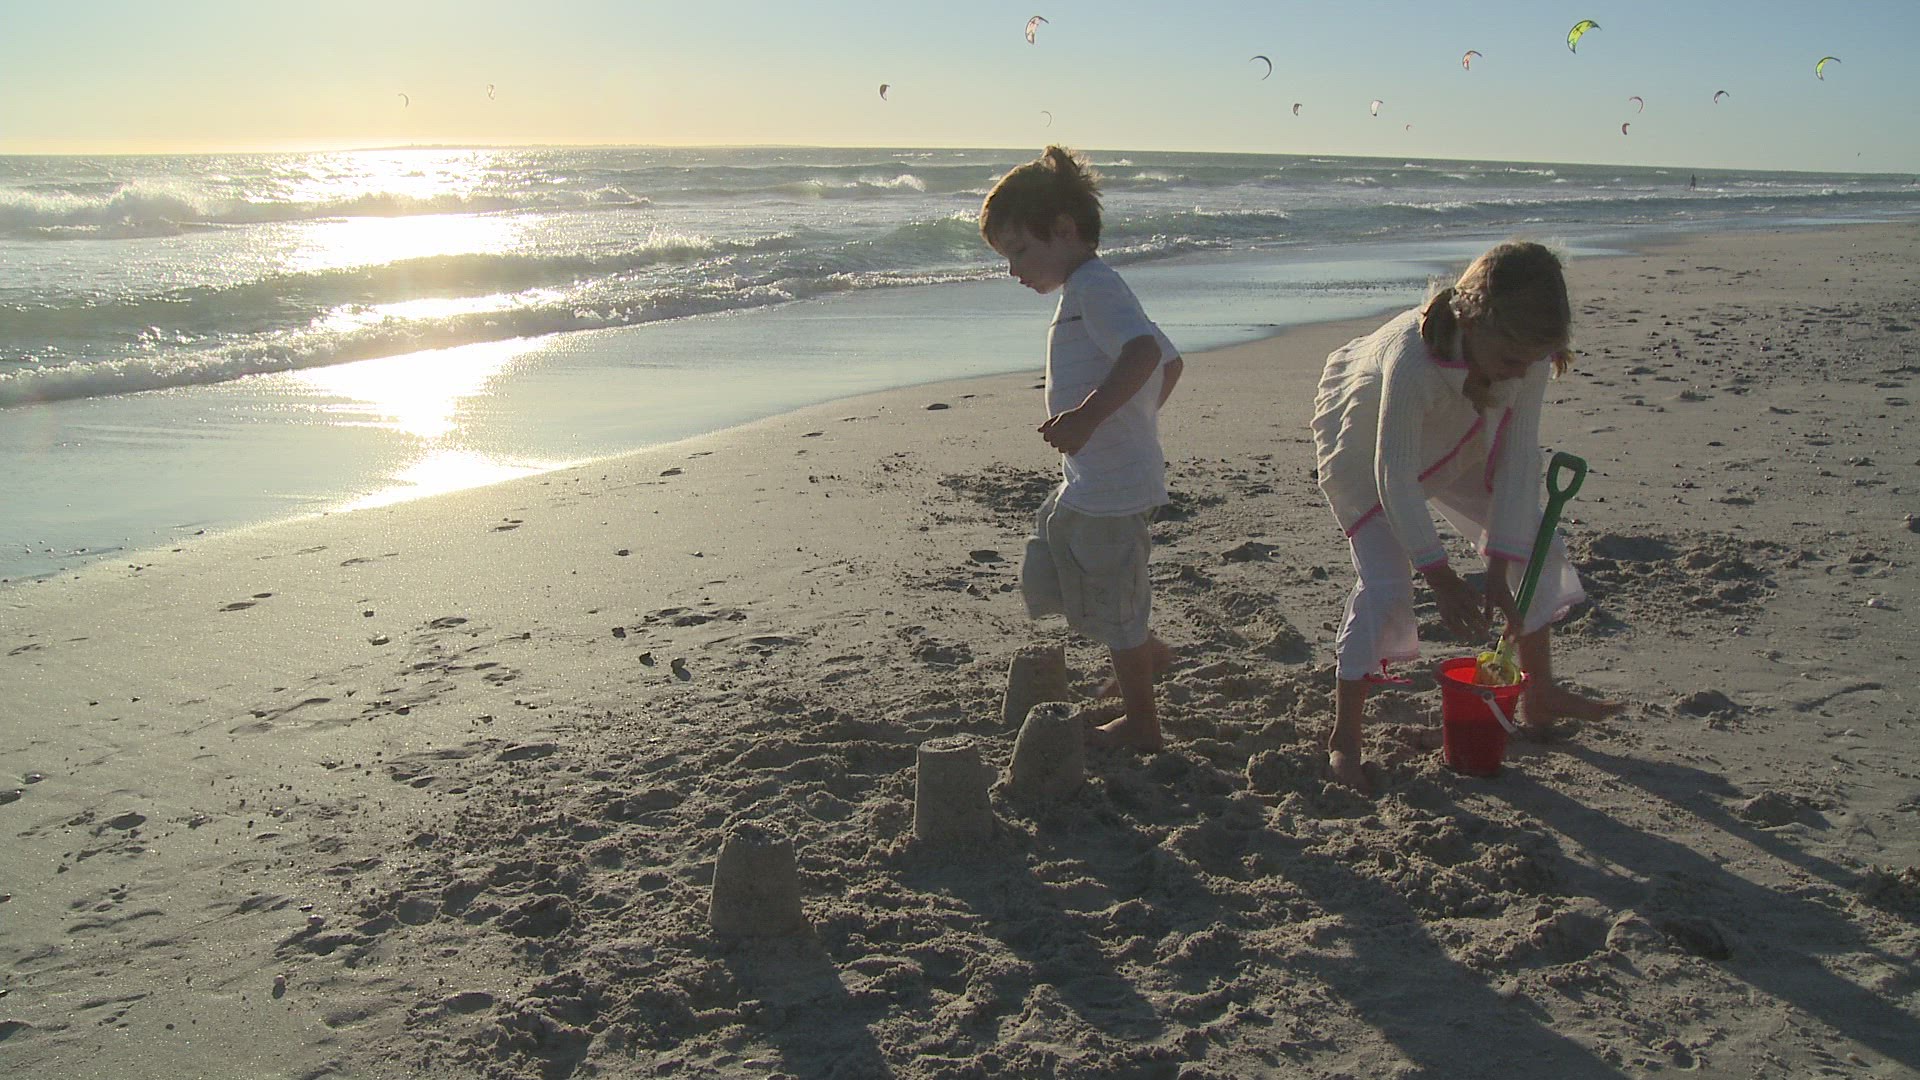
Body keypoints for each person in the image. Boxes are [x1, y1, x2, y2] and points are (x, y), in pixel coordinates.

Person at [1309, 240, 1621, 793]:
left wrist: (1498, 567)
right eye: (1511, 361)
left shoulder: (1525, 359)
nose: (1521, 373)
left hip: (1458, 436)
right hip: (1365, 445)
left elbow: (1519, 460)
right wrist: (1440, 576)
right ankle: (1345, 739)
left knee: (1536, 546)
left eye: (1530, 362)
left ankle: (1539, 693)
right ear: (1474, 321)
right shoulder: (1413, 361)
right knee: (1386, 584)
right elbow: (1394, 477)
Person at [980, 146, 1184, 751]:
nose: (1013, 269)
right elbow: (1170, 362)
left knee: (1115, 599)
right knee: (1050, 558)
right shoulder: (1090, 289)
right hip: (1091, 476)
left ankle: (1142, 721)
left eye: (1020, 251)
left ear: (1064, 229)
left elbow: (1146, 354)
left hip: (1112, 486)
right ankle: (1148, 651)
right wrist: (1129, 421)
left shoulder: (1096, 287)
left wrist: (1094, 418)